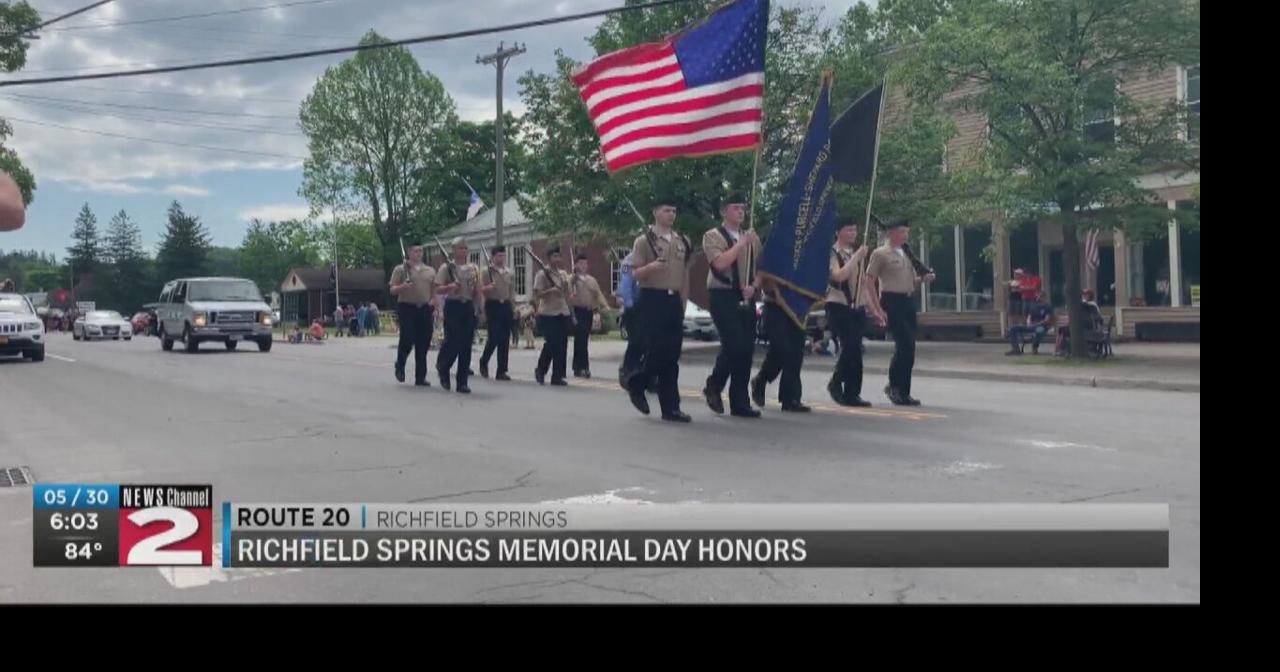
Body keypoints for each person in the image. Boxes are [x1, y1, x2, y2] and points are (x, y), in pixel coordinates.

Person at [626, 198, 693, 423]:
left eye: (674, 210)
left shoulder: (682, 241)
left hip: (673, 301)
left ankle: (670, 407)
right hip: (652, 298)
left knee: (672, 356)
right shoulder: (643, 241)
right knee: (657, 351)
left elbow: (684, 275)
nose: (671, 214)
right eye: (666, 210)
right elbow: (635, 274)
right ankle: (638, 382)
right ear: (655, 212)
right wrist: (653, 267)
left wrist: (683, 303)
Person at [701, 194, 762, 418]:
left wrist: (754, 286)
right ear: (724, 211)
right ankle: (714, 384)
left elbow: (761, 269)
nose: (741, 212)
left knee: (746, 348)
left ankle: (740, 402)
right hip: (722, 294)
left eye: (743, 208)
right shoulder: (713, 236)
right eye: (736, 208)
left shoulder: (752, 238)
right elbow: (720, 263)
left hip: (745, 294)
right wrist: (740, 244)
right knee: (734, 343)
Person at [864, 218, 936, 406]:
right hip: (891, 300)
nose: (906, 235)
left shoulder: (906, 253)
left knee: (909, 347)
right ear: (892, 233)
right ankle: (896, 388)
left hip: (907, 300)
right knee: (904, 345)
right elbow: (869, 280)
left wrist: (924, 278)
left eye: (907, 231)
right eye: (903, 231)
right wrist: (876, 307)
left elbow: (910, 279)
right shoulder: (880, 254)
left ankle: (902, 389)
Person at [824, 221, 871, 407]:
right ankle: (837, 383)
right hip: (838, 305)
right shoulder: (832, 253)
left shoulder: (854, 254)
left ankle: (852, 392)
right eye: (849, 229)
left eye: (854, 229)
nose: (853, 233)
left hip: (856, 307)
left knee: (856, 349)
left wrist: (869, 307)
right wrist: (857, 257)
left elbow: (861, 284)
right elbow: (838, 276)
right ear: (838, 232)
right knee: (850, 346)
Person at [435, 238, 482, 393]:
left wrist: (479, 308)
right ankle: (444, 366)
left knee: (466, 345)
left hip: (467, 306)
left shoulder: (473, 268)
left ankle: (462, 381)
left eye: (465, 248)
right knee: (453, 341)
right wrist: (450, 287)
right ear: (453, 250)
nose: (463, 251)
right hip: (453, 305)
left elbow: (477, 291)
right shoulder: (446, 267)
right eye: (460, 248)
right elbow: (438, 289)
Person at [389, 243, 437, 386]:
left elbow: (434, 290)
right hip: (406, 307)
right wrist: (403, 286)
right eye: (415, 251)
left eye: (420, 251)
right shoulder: (401, 269)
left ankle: (420, 376)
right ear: (409, 252)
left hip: (424, 308)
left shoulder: (430, 271)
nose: (418, 253)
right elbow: (392, 289)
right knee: (408, 338)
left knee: (423, 342)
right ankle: (400, 365)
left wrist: (434, 302)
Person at [533, 247, 572, 386]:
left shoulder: (562, 274)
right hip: (548, 313)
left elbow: (567, 293)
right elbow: (538, 294)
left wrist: (567, 285)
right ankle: (540, 370)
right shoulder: (542, 274)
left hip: (562, 311)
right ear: (549, 258)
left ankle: (558, 375)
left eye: (558, 256)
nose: (557, 259)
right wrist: (551, 291)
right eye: (554, 257)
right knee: (551, 343)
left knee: (562, 345)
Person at [568, 253, 610, 379]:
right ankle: (579, 367)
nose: (584, 266)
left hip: (588, 312)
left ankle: (583, 367)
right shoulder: (572, 279)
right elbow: (568, 292)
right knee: (580, 340)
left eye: (585, 263)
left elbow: (598, 294)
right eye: (581, 263)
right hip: (577, 311)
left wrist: (605, 306)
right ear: (576, 265)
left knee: (584, 340)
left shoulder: (591, 280)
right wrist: (572, 278)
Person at [479, 245, 515, 381]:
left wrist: (514, 307)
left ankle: (502, 370)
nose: (501, 258)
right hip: (492, 304)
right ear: (493, 257)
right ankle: (484, 360)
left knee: (505, 339)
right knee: (493, 337)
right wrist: (488, 288)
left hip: (505, 305)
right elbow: (479, 289)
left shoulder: (509, 272)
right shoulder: (486, 271)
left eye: (503, 255)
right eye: (499, 256)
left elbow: (511, 291)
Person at [617, 251, 645, 390]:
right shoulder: (630, 260)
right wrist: (630, 305)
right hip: (634, 308)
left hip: (650, 307)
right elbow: (626, 285)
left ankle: (646, 375)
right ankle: (627, 371)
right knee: (636, 342)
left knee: (651, 344)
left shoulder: (656, 256)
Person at [1007, 290, 1053, 355]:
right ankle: (1015, 349)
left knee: (1040, 330)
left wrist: (1037, 324)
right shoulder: (1033, 306)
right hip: (1031, 326)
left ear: (1044, 297)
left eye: (1041, 296)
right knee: (1013, 328)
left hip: (1041, 326)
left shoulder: (1048, 306)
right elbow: (1029, 317)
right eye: (1037, 296)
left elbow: (1047, 320)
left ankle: (1034, 347)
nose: (1038, 297)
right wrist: (1028, 322)